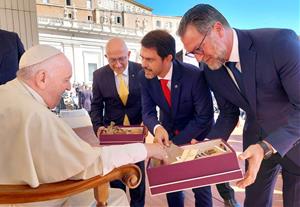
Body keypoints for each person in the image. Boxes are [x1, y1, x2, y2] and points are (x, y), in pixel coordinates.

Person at [0, 44, 168, 207]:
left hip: (12, 195)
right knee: (117, 196)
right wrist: (147, 150)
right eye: (65, 80)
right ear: (42, 78)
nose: (69, 87)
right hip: (32, 200)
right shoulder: (37, 115)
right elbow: (91, 163)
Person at [178, 4, 300, 207]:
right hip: (254, 145)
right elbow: (228, 113)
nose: (199, 58)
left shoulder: (279, 43)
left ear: (217, 29)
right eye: (193, 53)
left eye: (199, 48)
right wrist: (209, 144)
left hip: (294, 141)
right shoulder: (210, 69)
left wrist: (266, 147)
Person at [138, 29, 214, 207]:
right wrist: (157, 128)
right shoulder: (145, 77)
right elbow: (147, 112)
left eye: (149, 59)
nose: (143, 64)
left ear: (168, 58)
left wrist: (174, 145)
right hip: (168, 134)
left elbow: (204, 117)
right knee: (172, 186)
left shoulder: (194, 75)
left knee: (200, 188)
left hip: (197, 137)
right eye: (142, 57)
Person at [175, 49, 240, 207]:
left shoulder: (206, 62)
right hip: (185, 125)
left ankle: (227, 196)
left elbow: (218, 91)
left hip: (207, 122)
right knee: (195, 169)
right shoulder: (176, 61)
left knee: (216, 158)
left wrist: (229, 110)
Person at [90, 38, 145, 207]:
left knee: (138, 176)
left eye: (122, 58)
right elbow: (96, 106)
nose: (118, 64)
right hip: (112, 135)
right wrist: (98, 127)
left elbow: (148, 101)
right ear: (106, 57)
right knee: (116, 178)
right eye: (113, 60)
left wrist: (148, 122)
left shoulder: (142, 71)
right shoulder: (99, 75)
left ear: (129, 54)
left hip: (137, 133)